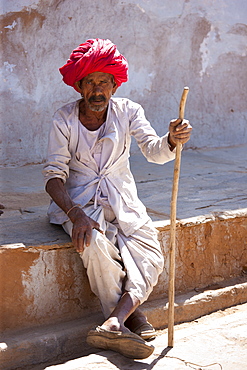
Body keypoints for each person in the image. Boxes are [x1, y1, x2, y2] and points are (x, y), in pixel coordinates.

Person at [43, 38, 192, 359]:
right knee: (94, 246)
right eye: (90, 83)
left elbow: (154, 150)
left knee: (150, 254)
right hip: (81, 206)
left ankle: (113, 321)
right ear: (79, 86)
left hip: (124, 202)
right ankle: (129, 316)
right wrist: (75, 213)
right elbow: (53, 176)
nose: (98, 90)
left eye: (104, 83)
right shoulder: (64, 119)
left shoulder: (129, 111)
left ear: (114, 84)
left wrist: (170, 139)